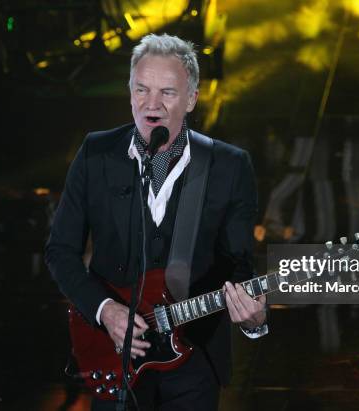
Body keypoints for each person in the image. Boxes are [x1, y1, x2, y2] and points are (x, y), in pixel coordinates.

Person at [45, 33, 268, 411]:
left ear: (192, 99)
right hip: (113, 352)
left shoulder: (229, 166)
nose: (152, 105)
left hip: (194, 359)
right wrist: (104, 310)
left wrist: (253, 318)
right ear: (129, 93)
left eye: (168, 92)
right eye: (142, 90)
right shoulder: (96, 153)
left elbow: (239, 266)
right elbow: (60, 251)